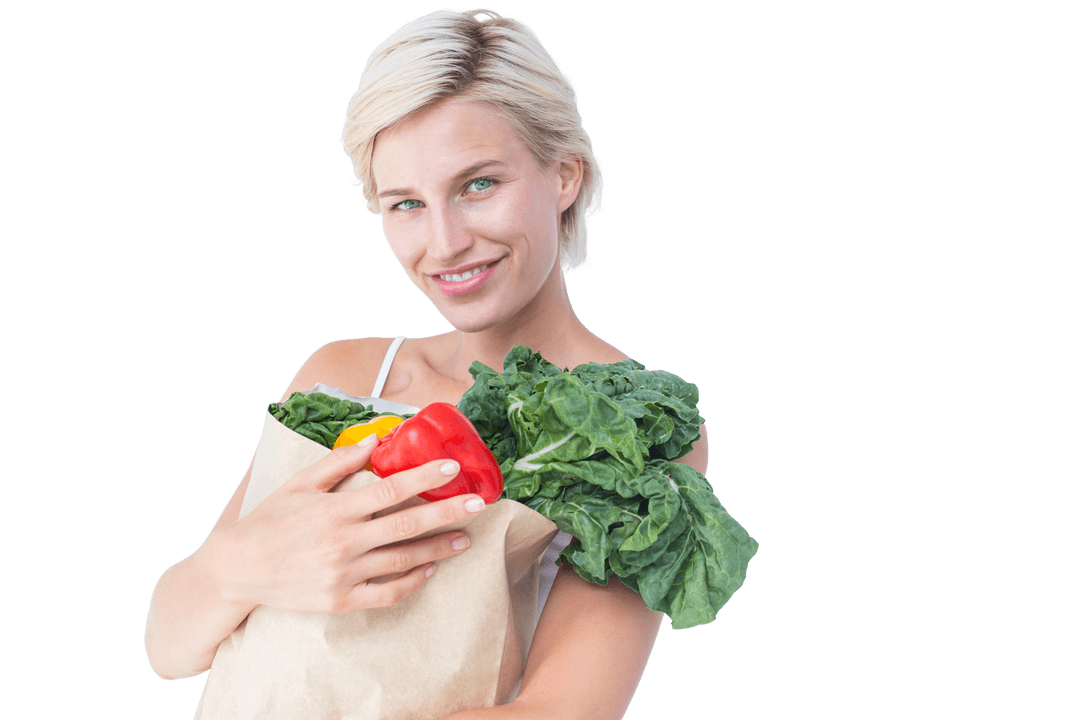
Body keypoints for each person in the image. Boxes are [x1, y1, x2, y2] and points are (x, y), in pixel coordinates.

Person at [144, 6, 709, 718]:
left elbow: (565, 711)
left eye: (478, 185)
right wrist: (250, 565)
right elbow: (171, 645)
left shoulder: (630, 427)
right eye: (406, 203)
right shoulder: (348, 375)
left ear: (564, 175)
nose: (443, 244)